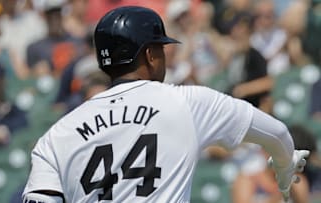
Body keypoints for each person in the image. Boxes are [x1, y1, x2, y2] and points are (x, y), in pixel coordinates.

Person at [22, 6, 309, 202]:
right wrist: (285, 170)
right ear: (148, 55)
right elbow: (278, 134)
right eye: (161, 48)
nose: (165, 56)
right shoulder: (189, 102)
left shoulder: (55, 136)